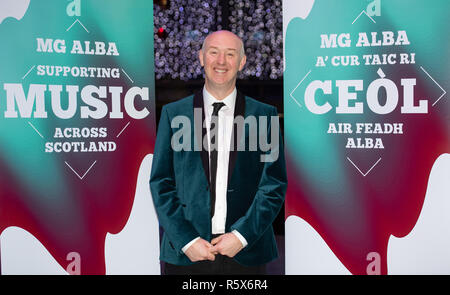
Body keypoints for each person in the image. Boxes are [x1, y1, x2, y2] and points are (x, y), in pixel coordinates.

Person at [150, 30, 287, 275]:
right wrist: (187, 240)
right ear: (201, 57)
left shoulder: (265, 116)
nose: (221, 61)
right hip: (186, 252)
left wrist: (242, 236)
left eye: (230, 54)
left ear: (242, 62)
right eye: (214, 52)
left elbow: (273, 184)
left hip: (247, 251)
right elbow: (161, 182)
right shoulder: (173, 114)